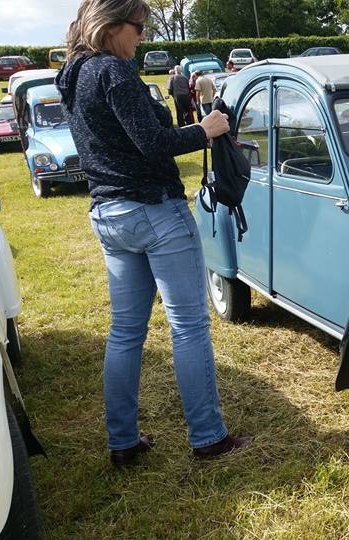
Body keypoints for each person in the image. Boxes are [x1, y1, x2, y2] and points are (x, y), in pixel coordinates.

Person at [55, 0, 251, 465]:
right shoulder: (112, 71)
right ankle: (209, 437)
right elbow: (153, 144)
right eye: (139, 27)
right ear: (111, 25)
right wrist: (205, 129)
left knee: (125, 331)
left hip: (109, 214)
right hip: (154, 211)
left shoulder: (73, 74)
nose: (143, 37)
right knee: (189, 327)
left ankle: (122, 442)